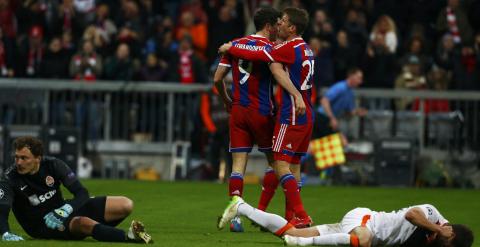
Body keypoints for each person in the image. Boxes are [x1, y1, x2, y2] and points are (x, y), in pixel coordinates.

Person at [219, 7, 314, 228]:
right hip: (306, 113)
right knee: (293, 165)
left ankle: (298, 214)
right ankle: (291, 217)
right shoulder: (306, 48)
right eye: (278, 20)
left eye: (284, 20)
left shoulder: (285, 48)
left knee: (279, 164)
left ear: (292, 28)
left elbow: (256, 55)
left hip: (289, 113)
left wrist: (231, 47)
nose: (279, 23)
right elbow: (276, 68)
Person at [0, 136, 152, 243]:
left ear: (37, 158)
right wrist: (5, 232)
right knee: (83, 223)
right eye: (16, 157)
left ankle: (98, 230)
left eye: (24, 158)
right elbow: (3, 207)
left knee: (125, 204)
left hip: (62, 210)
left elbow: (81, 193)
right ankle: (128, 237)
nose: (18, 162)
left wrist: (66, 209)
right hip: (42, 225)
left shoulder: (53, 165)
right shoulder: (9, 178)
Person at [214, 6, 282, 232]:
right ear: (269, 26)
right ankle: (260, 212)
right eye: (277, 25)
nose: (279, 29)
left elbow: (217, 79)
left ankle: (236, 218)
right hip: (262, 112)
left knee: (237, 166)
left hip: (239, 111)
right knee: (274, 162)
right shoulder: (272, 48)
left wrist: (226, 100)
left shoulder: (235, 44)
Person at [219, 196, 474, 247]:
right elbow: (411, 216)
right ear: (446, 229)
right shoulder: (431, 213)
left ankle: (242, 207)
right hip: (366, 220)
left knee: (295, 230)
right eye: (442, 240)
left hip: (356, 231)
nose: (437, 242)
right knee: (363, 240)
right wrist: (436, 229)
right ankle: (301, 244)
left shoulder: (436, 240)